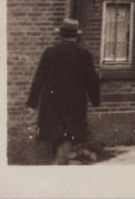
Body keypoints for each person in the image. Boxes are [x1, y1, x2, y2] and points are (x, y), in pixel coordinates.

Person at [27, 19, 101, 165]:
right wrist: (95, 100)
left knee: (56, 139)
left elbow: (39, 78)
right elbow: (92, 80)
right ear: (76, 36)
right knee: (68, 137)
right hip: (74, 105)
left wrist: (32, 102)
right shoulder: (84, 54)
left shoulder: (50, 53)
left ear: (61, 35)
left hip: (52, 104)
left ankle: (60, 167)